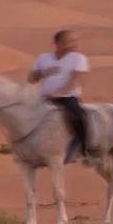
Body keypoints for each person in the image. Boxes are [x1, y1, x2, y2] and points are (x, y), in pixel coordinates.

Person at [28, 29, 92, 161]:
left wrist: (59, 94)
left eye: (75, 41)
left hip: (68, 97)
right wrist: (44, 72)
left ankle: (84, 149)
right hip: (44, 97)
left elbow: (75, 80)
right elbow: (31, 79)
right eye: (71, 41)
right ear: (59, 43)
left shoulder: (78, 58)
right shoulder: (43, 58)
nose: (75, 44)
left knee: (80, 117)